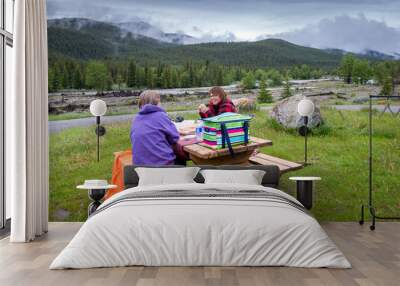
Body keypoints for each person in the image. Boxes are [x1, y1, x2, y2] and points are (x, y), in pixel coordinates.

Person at [130, 90, 180, 165]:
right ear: (157, 102)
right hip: (162, 165)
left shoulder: (136, 119)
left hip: (140, 168)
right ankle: (180, 176)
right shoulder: (161, 116)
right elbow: (175, 138)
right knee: (180, 158)